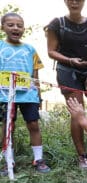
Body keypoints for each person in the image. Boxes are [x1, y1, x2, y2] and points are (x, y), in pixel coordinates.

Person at [46, 0, 87, 169]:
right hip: (67, 70)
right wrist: (71, 61)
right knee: (77, 111)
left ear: (83, 1)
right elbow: (51, 52)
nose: (74, 1)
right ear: (65, 0)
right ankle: (83, 156)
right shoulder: (57, 24)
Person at [0, 12, 50, 174]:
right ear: (3, 27)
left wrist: (38, 95)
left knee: (33, 124)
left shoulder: (30, 49)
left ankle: (38, 159)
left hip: (28, 95)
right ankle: (9, 161)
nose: (16, 28)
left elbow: (36, 74)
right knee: (8, 127)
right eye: (11, 25)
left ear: (23, 29)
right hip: (4, 95)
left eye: (19, 26)